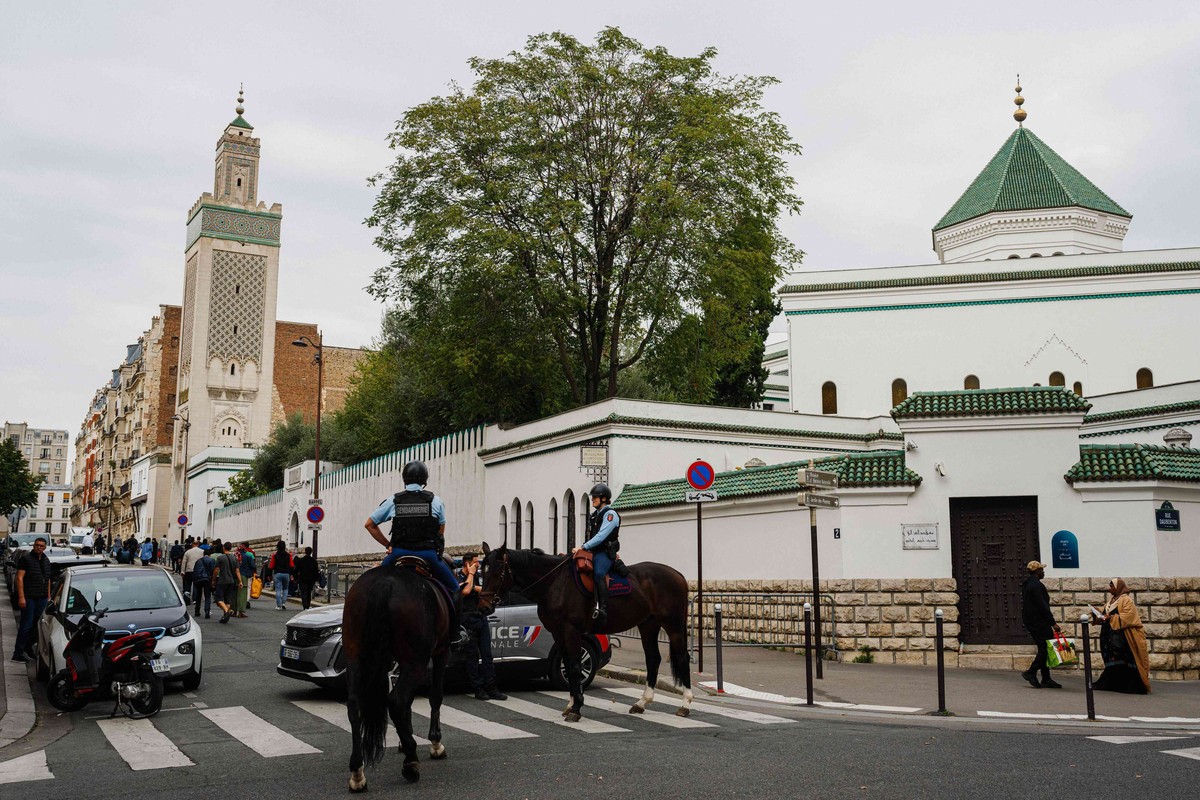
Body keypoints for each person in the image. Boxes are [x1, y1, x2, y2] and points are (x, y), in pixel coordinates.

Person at [363, 460, 463, 647]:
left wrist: (388, 544)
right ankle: (455, 633)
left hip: (398, 554)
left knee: (371, 588)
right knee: (455, 589)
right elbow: (441, 529)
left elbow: (369, 524)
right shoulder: (436, 501)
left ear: (404, 479)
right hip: (428, 556)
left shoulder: (394, 500)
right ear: (425, 480)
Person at [458, 552, 506, 700]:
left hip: (480, 616)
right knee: (472, 656)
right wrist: (471, 576)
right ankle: (478, 688)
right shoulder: (457, 576)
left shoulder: (478, 576)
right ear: (467, 563)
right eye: (475, 562)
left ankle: (491, 687)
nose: (477, 565)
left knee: (487, 655)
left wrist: (475, 585)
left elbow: (485, 590)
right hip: (467, 619)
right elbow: (464, 591)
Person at [1092, 579, 1152, 694]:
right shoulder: (1111, 602)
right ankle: (1114, 684)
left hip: (1124, 638)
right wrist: (1097, 613)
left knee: (1127, 659)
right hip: (1110, 637)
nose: (1109, 589)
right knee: (1114, 660)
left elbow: (1129, 616)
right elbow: (1105, 615)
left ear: (1118, 587)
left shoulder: (1126, 600)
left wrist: (1112, 618)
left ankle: (1130, 686)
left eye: (1111, 586)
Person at [573, 483, 620, 626]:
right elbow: (591, 535)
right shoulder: (595, 516)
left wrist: (583, 547)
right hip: (593, 551)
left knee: (599, 573)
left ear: (604, 498)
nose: (592, 499)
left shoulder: (610, 515)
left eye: (595, 497)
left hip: (604, 553)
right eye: (593, 497)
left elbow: (601, 536)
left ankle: (602, 609)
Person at [1020, 560, 1062, 689]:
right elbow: (1042, 606)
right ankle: (1031, 672)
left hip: (1033, 620)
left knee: (1045, 647)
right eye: (1042, 570)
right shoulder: (1036, 586)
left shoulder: (1029, 584)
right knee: (1045, 648)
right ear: (1037, 571)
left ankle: (1046, 678)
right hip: (1038, 621)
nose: (1043, 572)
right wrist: (1053, 623)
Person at [11, 537, 51, 663]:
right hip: (29, 597)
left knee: (38, 625)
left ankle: (28, 646)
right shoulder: (26, 559)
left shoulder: (46, 559)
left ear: (45, 547)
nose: (38, 547)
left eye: (41, 546)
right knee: (26, 625)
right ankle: (17, 653)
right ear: (34, 546)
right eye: (37, 545)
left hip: (42, 598)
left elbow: (48, 579)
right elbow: (19, 578)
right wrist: (21, 597)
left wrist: (48, 596)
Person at [212, 541, 242, 623]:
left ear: (223, 548)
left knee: (218, 599)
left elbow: (216, 570)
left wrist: (213, 580)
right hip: (231, 581)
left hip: (222, 580)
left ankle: (226, 611)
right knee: (227, 600)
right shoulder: (234, 558)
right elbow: (237, 571)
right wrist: (240, 581)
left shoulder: (220, 558)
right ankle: (225, 616)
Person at [268, 541, 295, 610]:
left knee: (278, 590)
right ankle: (283, 603)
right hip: (286, 574)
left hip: (278, 573)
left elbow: (271, 566)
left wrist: (269, 575)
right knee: (286, 589)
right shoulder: (289, 555)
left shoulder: (275, 555)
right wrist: (292, 574)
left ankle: (279, 605)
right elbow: (291, 566)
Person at [192, 546, 216, 619]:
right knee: (207, 595)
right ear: (210, 554)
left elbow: (195, 570)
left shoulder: (198, 561)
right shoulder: (211, 560)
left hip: (198, 579)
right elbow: (212, 571)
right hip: (207, 579)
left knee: (199, 595)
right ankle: (207, 611)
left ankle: (197, 611)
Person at [235, 542, 256, 617]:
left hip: (235, 576)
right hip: (244, 575)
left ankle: (233, 610)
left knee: (235, 593)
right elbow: (253, 565)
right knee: (243, 593)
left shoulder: (235, 555)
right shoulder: (248, 555)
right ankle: (240, 611)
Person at [181, 537, 202, 602]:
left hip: (189, 570)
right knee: (196, 585)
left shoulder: (188, 552)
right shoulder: (202, 552)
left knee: (188, 585)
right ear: (198, 544)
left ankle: (187, 599)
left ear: (192, 544)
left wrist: (182, 571)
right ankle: (195, 599)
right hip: (198, 571)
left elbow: (184, 562)